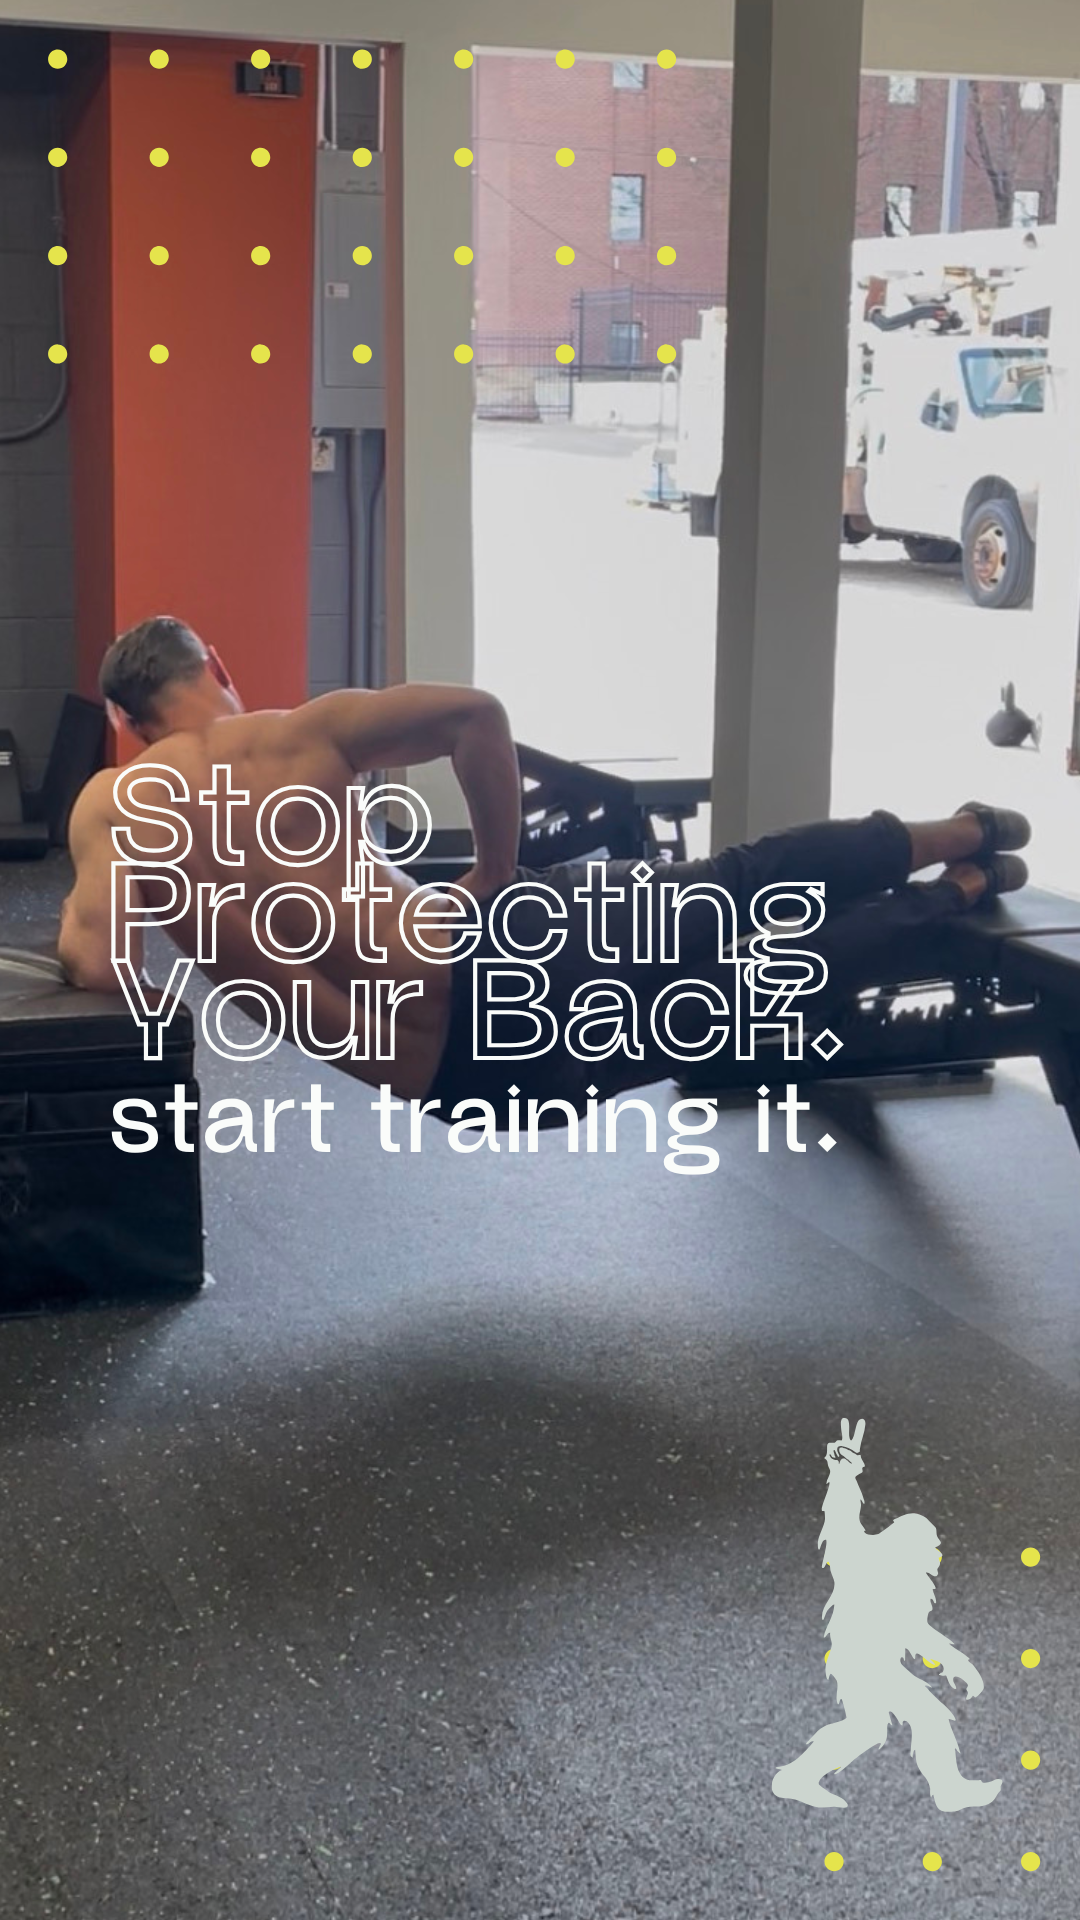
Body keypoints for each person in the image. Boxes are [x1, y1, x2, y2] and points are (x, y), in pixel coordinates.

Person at [57, 616, 1030, 1124]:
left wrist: (196, 935)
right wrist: (493, 871)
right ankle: (964, 831)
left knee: (757, 994)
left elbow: (99, 971)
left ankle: (962, 895)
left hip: (466, 1072)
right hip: (508, 933)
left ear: (123, 725)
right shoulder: (304, 734)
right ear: (216, 665)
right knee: (742, 879)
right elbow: (476, 713)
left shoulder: (120, 807)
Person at [771, 1419, 1002, 1812]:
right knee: (926, 1716)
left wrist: (956, 1663)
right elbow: (841, 1522)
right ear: (906, 1544)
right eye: (931, 1546)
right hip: (861, 1662)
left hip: (870, 1661)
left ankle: (795, 1777)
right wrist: (843, 1473)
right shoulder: (861, 1558)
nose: (936, 1555)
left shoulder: (911, 1584)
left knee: (866, 1728)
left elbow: (915, 1632)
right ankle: (948, 1791)